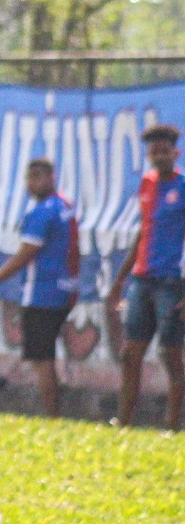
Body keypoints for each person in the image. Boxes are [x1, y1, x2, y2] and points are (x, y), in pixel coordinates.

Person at [0, 159, 79, 417]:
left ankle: (51, 416)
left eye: (38, 177)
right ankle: (53, 412)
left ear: (52, 177)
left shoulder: (41, 213)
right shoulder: (65, 206)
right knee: (45, 355)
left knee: (41, 358)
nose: (32, 183)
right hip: (64, 289)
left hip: (42, 293)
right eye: (29, 178)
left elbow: (25, 255)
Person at [108, 124, 185, 429]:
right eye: (154, 151)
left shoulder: (182, 187)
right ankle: (123, 421)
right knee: (130, 353)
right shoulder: (147, 184)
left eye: (165, 151)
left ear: (175, 153)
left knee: (171, 355)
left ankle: (172, 425)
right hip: (142, 280)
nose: (160, 156)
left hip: (172, 282)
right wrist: (120, 279)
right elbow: (144, 232)